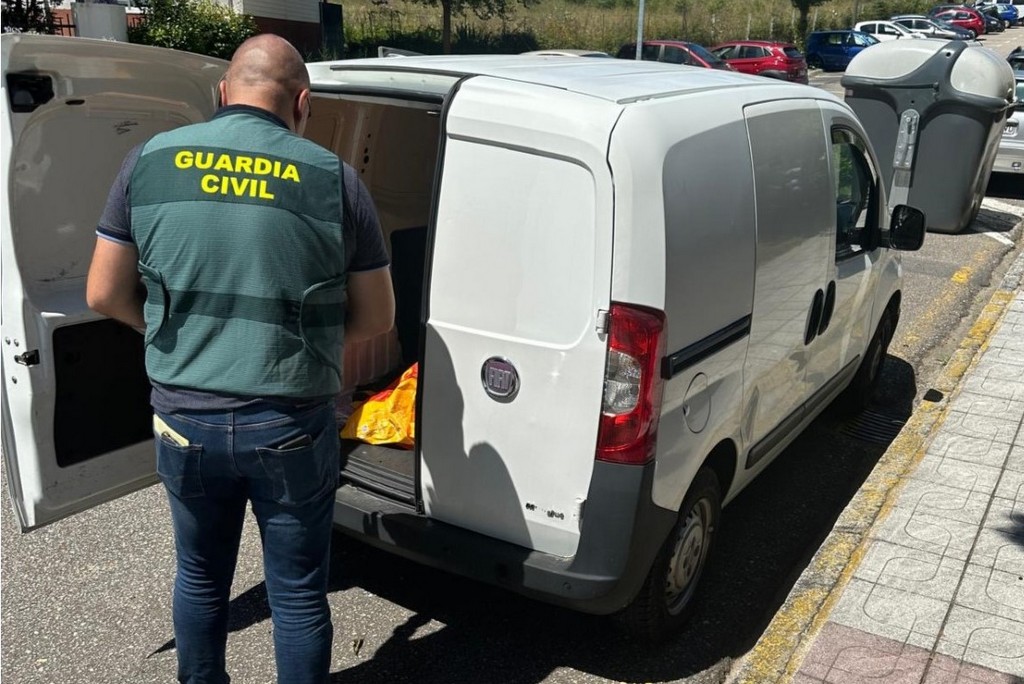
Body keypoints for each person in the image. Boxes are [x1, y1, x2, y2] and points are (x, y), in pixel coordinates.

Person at [85, 34, 395, 684]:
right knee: (298, 592)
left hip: (184, 419)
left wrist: (166, 330)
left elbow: (103, 293)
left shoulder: (148, 161)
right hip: (290, 423)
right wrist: (301, 348)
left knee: (200, 577)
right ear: (302, 103)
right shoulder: (335, 180)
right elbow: (377, 319)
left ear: (222, 92)